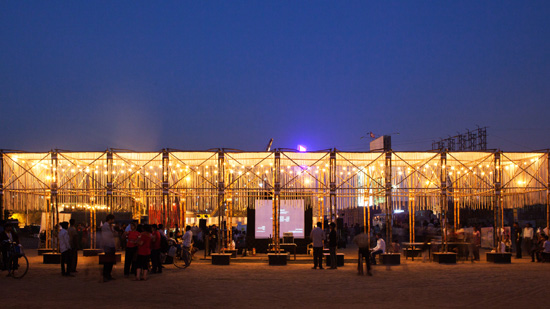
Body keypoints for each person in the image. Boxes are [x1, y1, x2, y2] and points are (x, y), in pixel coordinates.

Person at [101, 214, 116, 282]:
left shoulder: (110, 226)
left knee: (111, 260)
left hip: (111, 244)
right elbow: (109, 234)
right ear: (110, 219)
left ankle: (108, 274)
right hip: (107, 244)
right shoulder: (105, 226)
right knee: (107, 260)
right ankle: (106, 275)